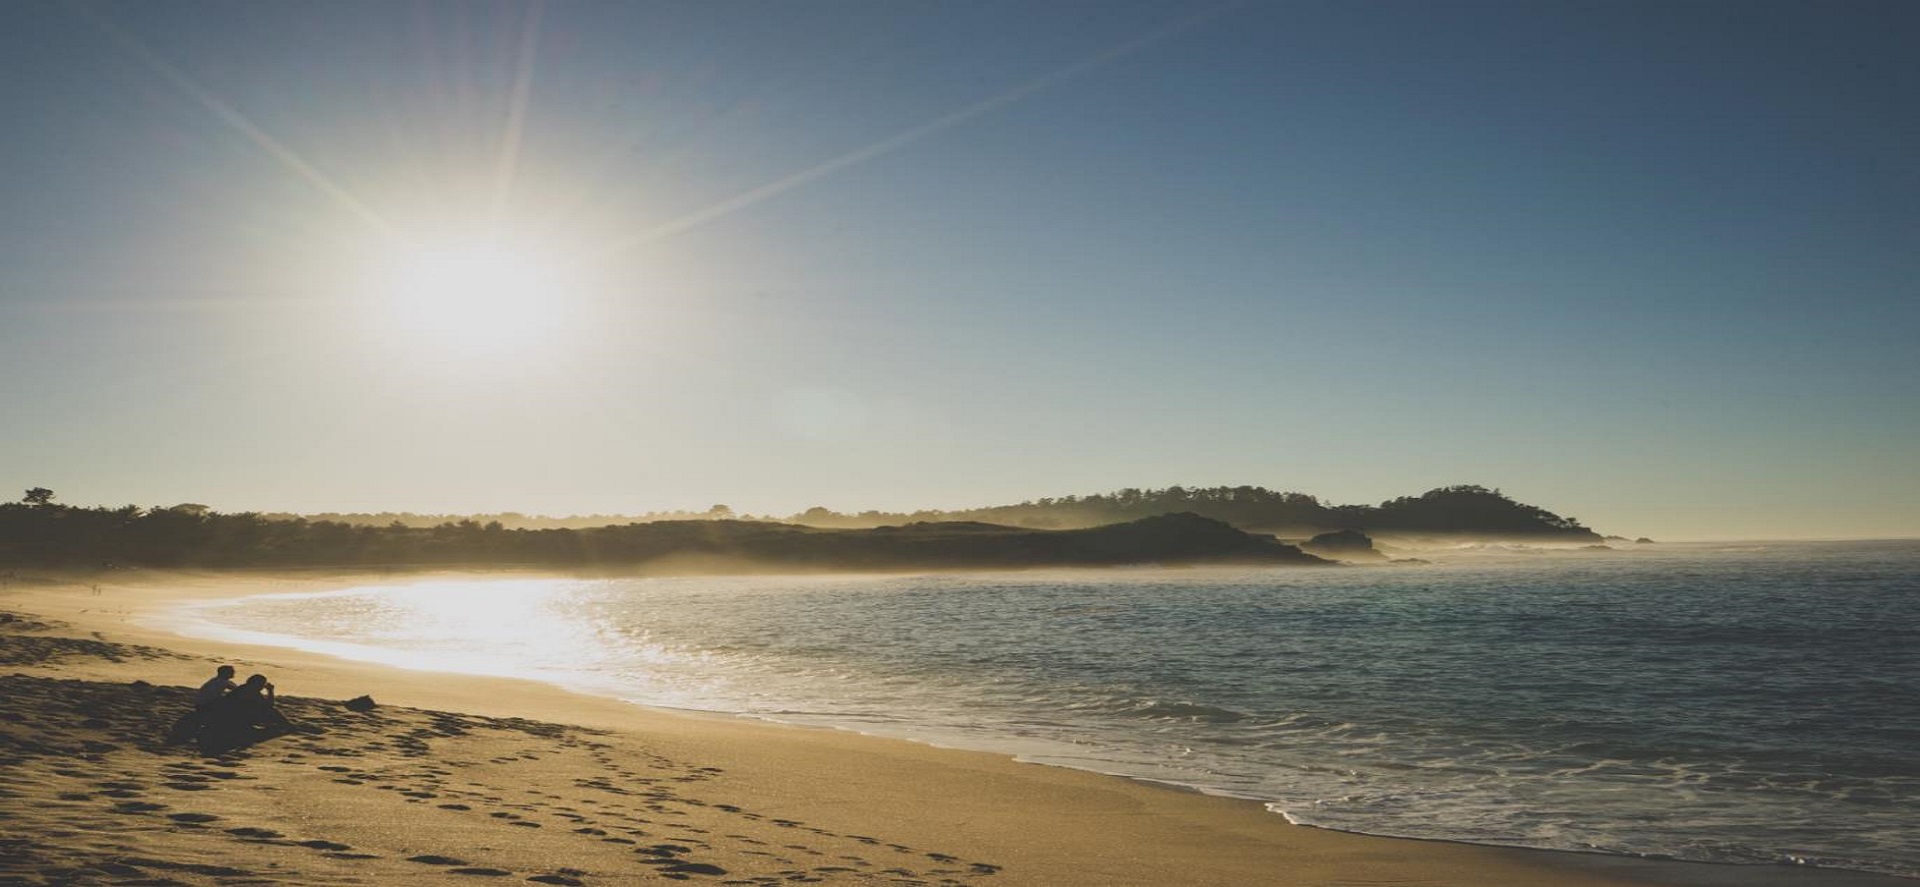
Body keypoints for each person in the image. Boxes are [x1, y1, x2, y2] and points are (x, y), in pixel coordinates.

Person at [218, 673, 292, 731]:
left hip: (230, 715)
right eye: (262, 684)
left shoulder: (244, 688)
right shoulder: (251, 691)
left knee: (265, 710)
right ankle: (289, 727)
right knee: (272, 711)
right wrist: (270, 691)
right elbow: (269, 705)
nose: (263, 686)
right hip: (235, 718)